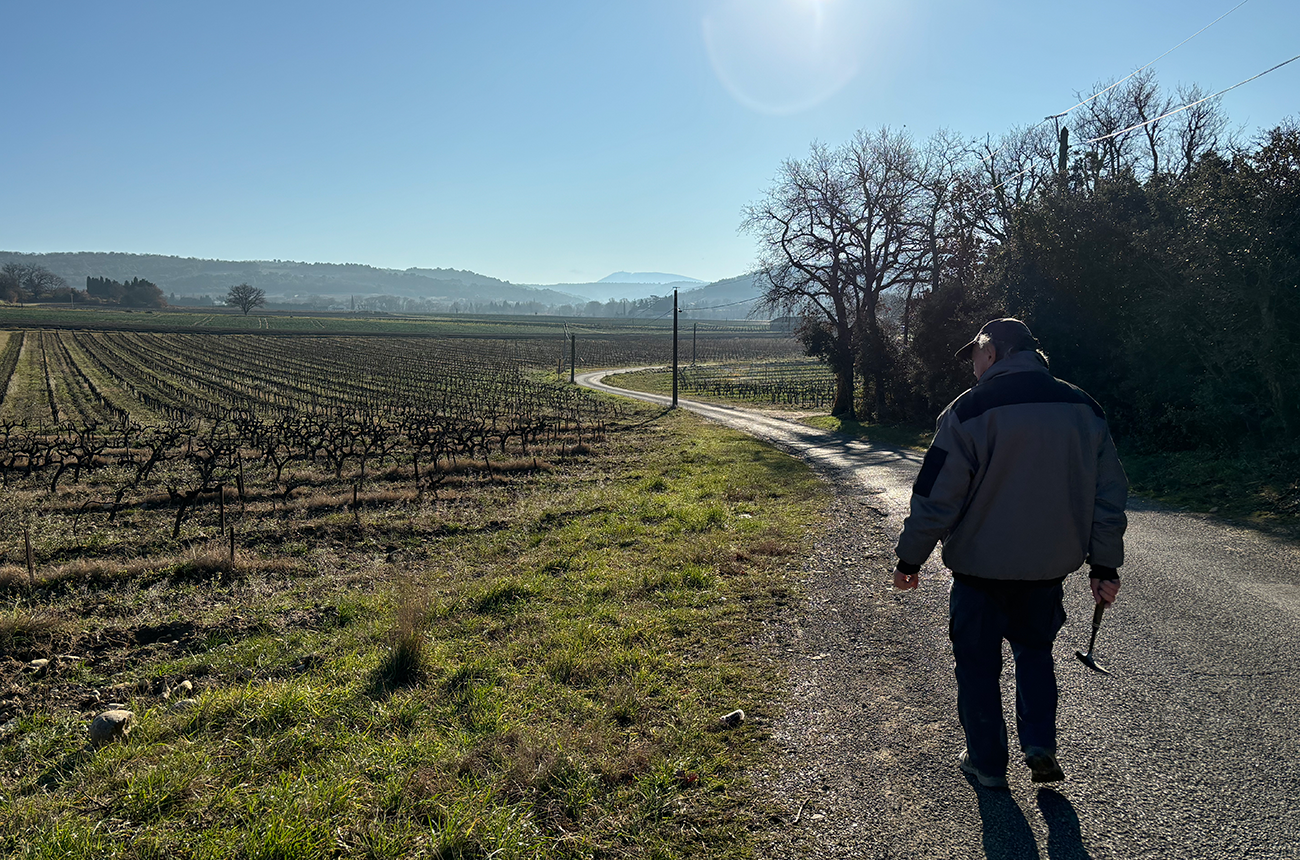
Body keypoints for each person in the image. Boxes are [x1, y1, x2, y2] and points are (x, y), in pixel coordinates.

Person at [892, 318, 1127, 789]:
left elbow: (937, 495)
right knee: (1036, 654)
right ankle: (1039, 745)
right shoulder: (1085, 407)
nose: (973, 368)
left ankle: (987, 763)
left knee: (977, 666)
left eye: (975, 357)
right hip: (1047, 572)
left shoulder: (969, 410)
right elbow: (1108, 495)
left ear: (993, 352)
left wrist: (909, 559)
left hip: (980, 571)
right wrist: (1104, 565)